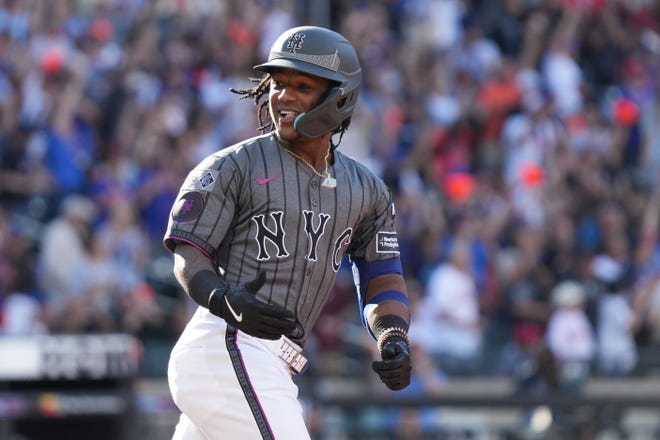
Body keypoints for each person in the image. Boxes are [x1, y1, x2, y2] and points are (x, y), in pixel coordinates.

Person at [163, 25, 412, 439]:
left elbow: (381, 277)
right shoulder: (233, 165)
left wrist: (392, 334)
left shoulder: (366, 189)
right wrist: (223, 297)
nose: (283, 95)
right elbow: (188, 255)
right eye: (278, 83)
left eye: (302, 85)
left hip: (270, 361)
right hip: (229, 345)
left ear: (339, 96)